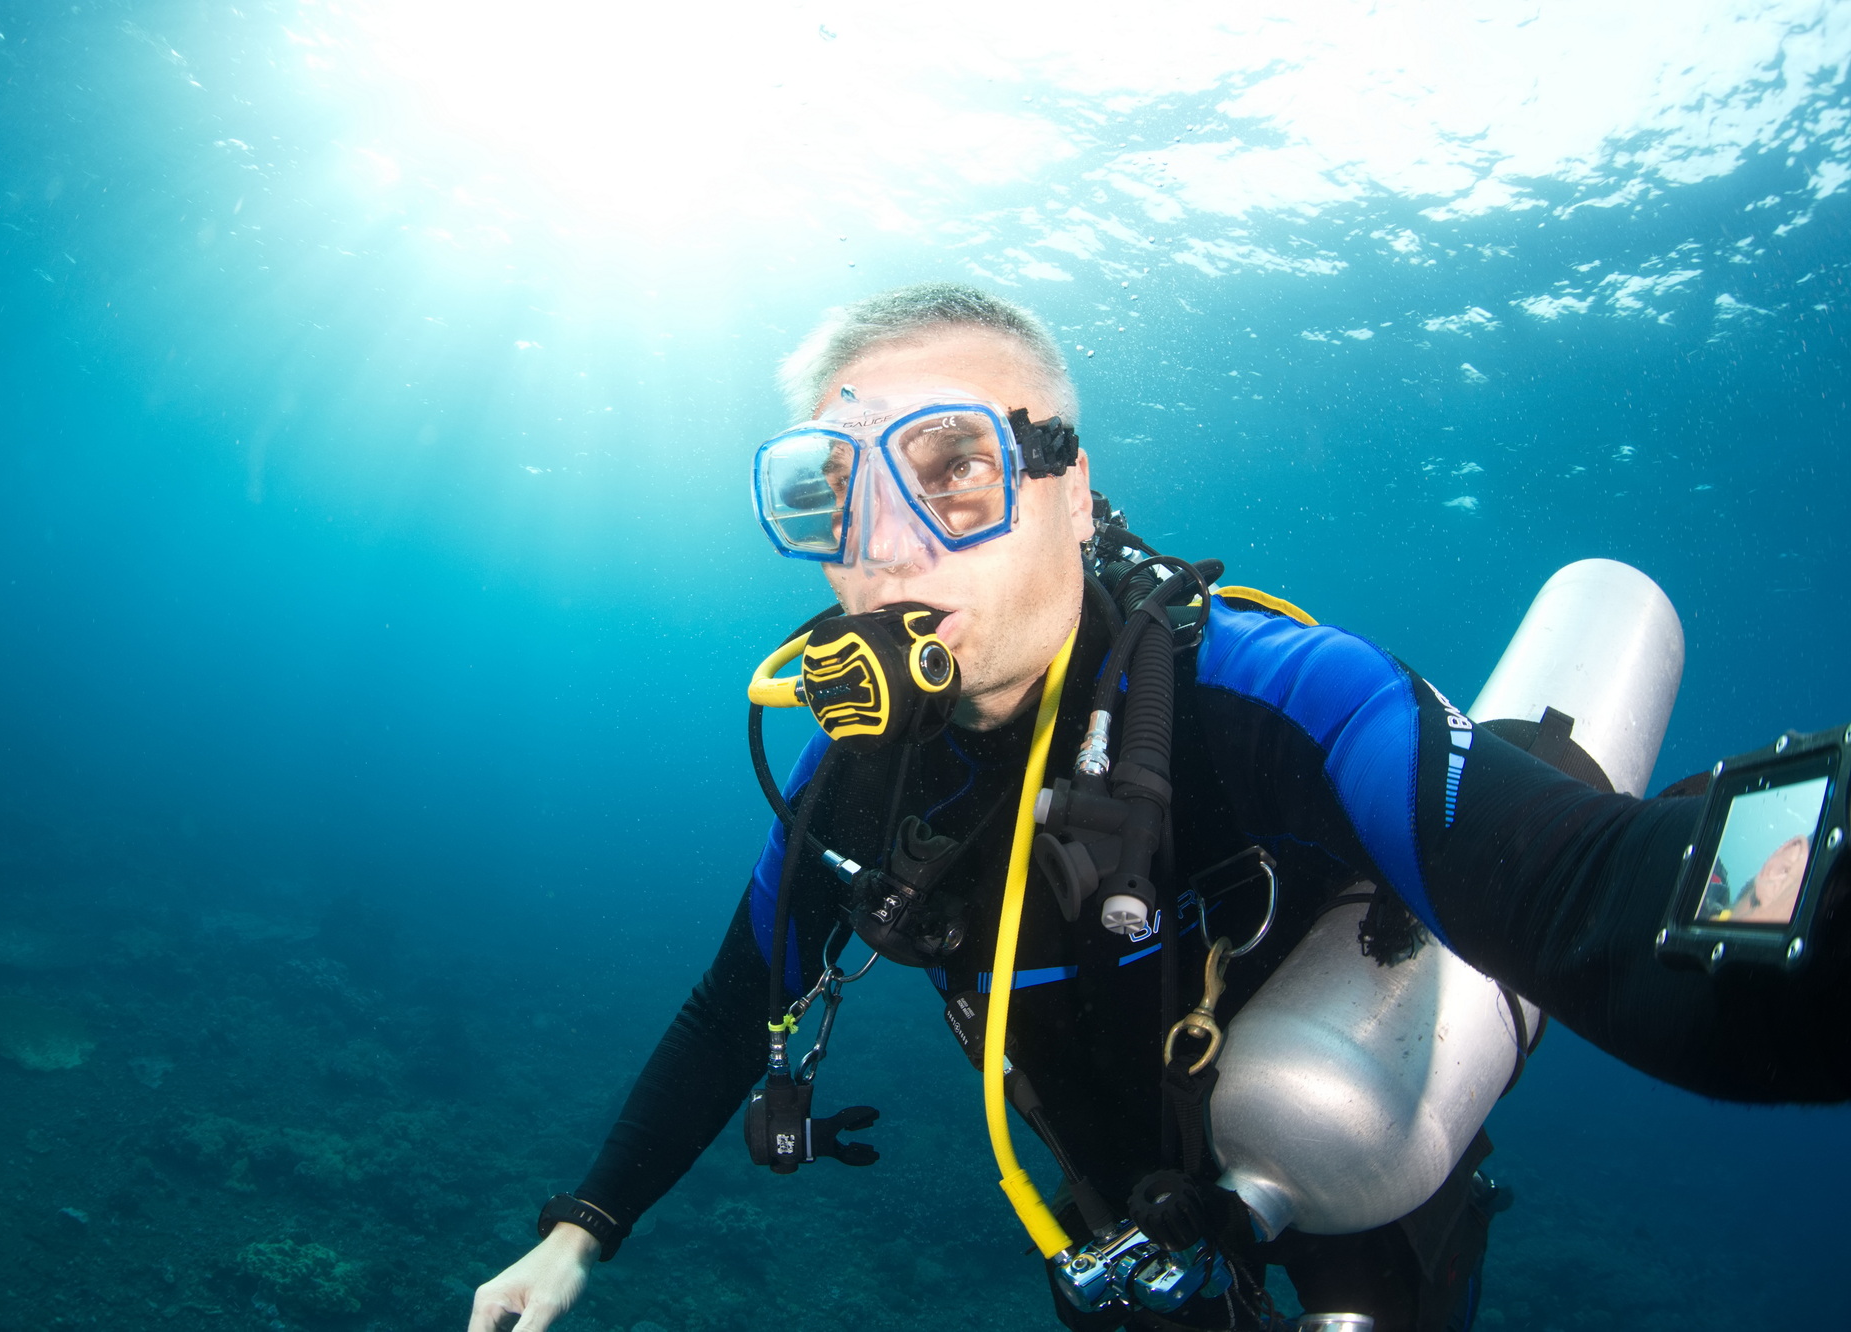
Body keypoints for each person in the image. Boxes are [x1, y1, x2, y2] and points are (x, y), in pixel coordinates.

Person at [469, 284, 1851, 1332]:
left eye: (949, 468)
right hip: (1118, 1229)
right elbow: (734, 1007)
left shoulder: (1272, 694)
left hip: (1354, 1201)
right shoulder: (859, 782)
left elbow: (1598, 901)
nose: (882, 542)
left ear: (1070, 489)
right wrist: (582, 1230)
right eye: (830, 494)